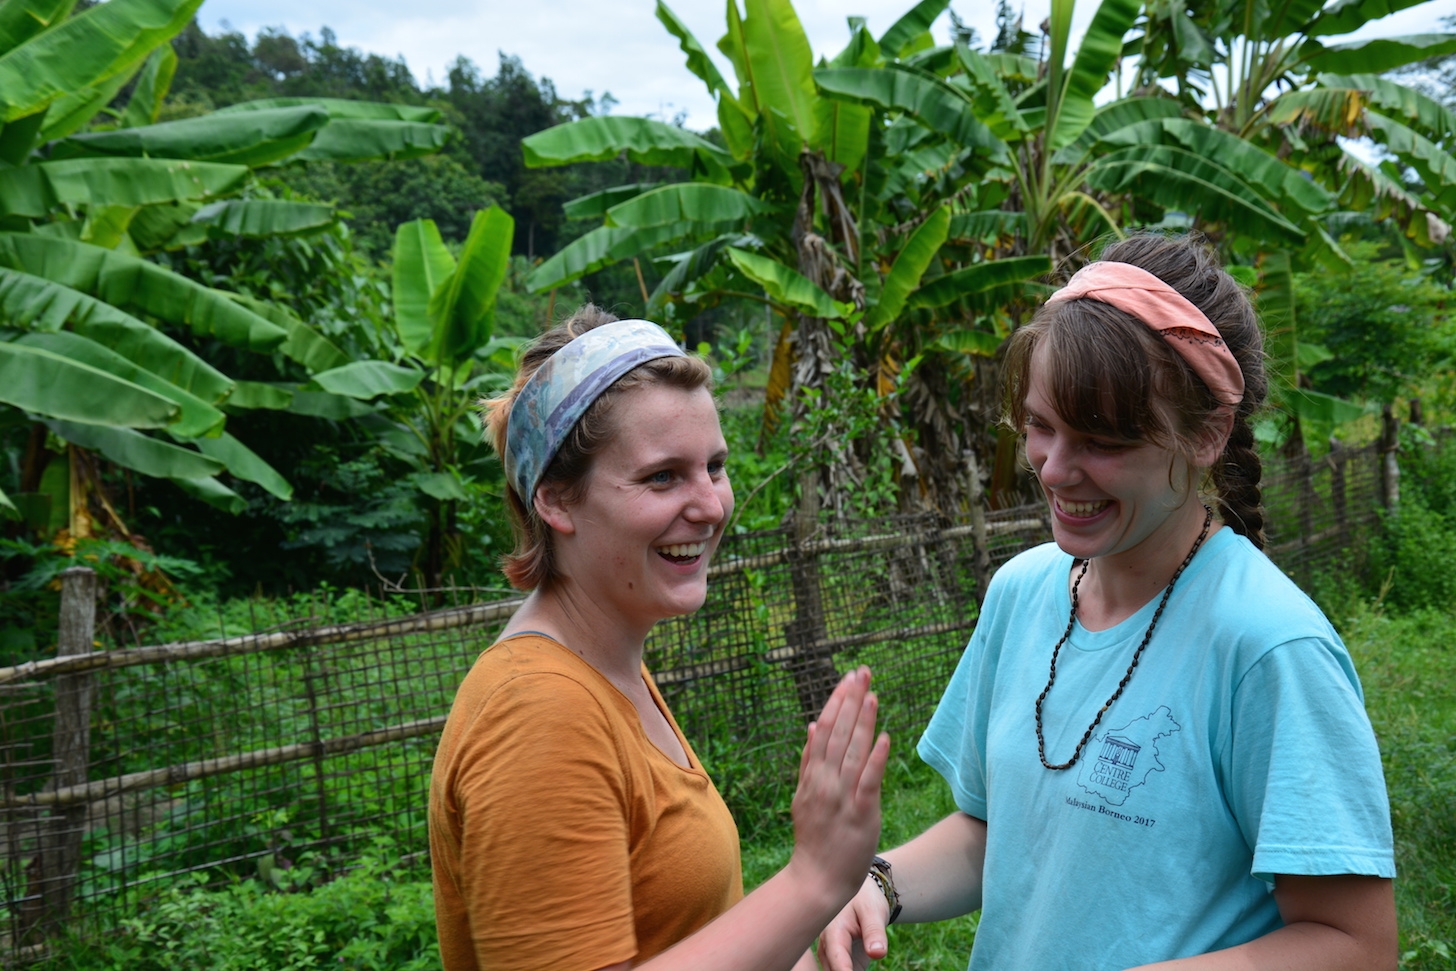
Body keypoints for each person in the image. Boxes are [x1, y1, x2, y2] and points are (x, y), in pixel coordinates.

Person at [817, 234, 1398, 971]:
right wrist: (878, 883)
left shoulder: (1268, 646)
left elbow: (1358, 945)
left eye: (1101, 440)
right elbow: (1005, 831)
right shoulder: (1022, 592)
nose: (1055, 469)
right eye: (1039, 425)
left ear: (1207, 434)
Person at [429, 306, 891, 971]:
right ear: (556, 500)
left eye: (715, 466)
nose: (711, 505)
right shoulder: (539, 712)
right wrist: (810, 883)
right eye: (662, 476)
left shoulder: (606, 667)